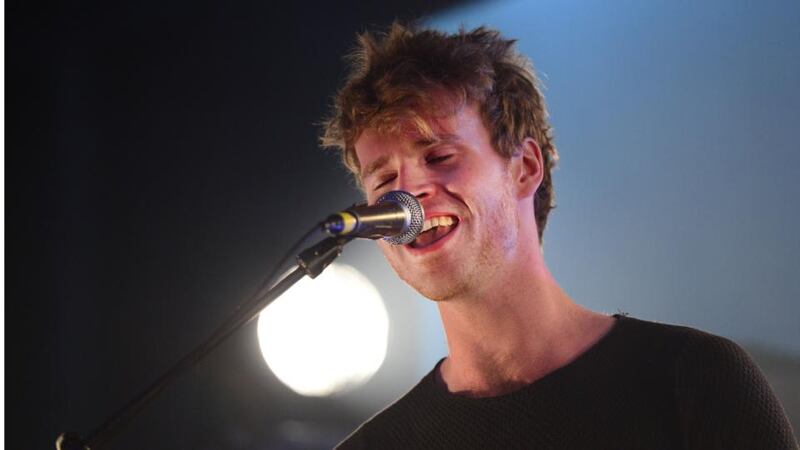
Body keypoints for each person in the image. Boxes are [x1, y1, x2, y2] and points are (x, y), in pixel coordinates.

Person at [321, 23, 798, 449]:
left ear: (525, 168)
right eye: (383, 181)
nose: (408, 192)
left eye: (440, 156)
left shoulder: (694, 378)